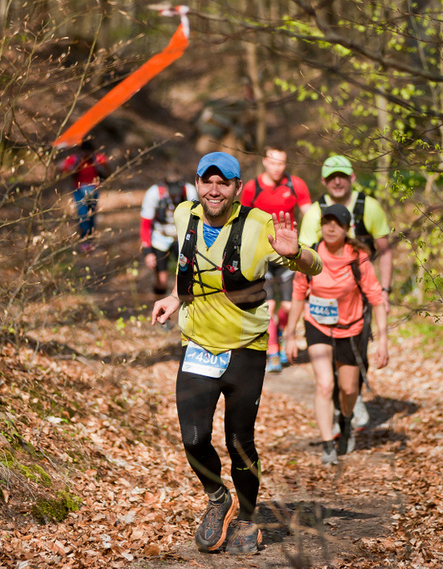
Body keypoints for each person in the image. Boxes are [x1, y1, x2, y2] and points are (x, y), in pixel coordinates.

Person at [151, 151, 321, 555]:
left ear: (237, 188)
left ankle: (246, 516)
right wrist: (176, 298)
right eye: (207, 181)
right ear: (197, 183)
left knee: (239, 440)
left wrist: (295, 252)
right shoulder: (182, 216)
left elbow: (313, 267)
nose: (214, 189)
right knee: (193, 439)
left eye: (223, 182)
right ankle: (217, 498)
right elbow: (191, 269)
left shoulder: (260, 225)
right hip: (197, 347)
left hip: (245, 349)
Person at [285, 203, 389, 465]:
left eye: (338, 223)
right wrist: (289, 334)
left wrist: (383, 340)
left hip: (350, 328)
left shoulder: (358, 257)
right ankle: (327, 443)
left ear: (347, 228)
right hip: (317, 326)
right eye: (327, 222)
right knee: (324, 384)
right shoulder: (309, 255)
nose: (331, 228)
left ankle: (345, 420)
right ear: (321, 225)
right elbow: (298, 294)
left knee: (348, 388)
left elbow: (376, 298)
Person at [298, 155, 393, 427]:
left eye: (342, 175)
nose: (337, 181)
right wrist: (303, 296)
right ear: (324, 181)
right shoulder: (315, 213)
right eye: (331, 177)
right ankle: (335, 401)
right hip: (321, 299)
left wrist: (384, 291)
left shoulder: (369, 208)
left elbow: (385, 252)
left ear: (352, 178)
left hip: (359, 295)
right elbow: (303, 257)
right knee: (327, 365)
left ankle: (353, 397)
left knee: (357, 352)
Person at [240, 146, 312, 373]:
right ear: (264, 162)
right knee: (268, 305)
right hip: (261, 253)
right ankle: (272, 351)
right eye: (273, 162)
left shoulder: (295, 185)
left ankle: (278, 333)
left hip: (288, 254)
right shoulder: (253, 187)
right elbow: (242, 218)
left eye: (281, 163)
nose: (277, 167)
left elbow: (310, 215)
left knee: (290, 307)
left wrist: (310, 245)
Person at [139, 172, 197, 295]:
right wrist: (147, 252)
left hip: (181, 236)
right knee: (162, 280)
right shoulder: (154, 194)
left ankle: (182, 303)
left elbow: (196, 220)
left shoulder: (189, 191)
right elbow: (145, 224)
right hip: (160, 236)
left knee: (185, 275)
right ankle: (159, 303)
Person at [58, 139, 111, 250]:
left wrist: (102, 166)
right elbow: (61, 166)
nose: (86, 154)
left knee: (91, 215)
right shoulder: (76, 159)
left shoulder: (96, 158)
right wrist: (70, 167)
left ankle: (90, 238)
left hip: (93, 190)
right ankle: (84, 240)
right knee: (82, 215)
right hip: (79, 191)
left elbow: (107, 165)